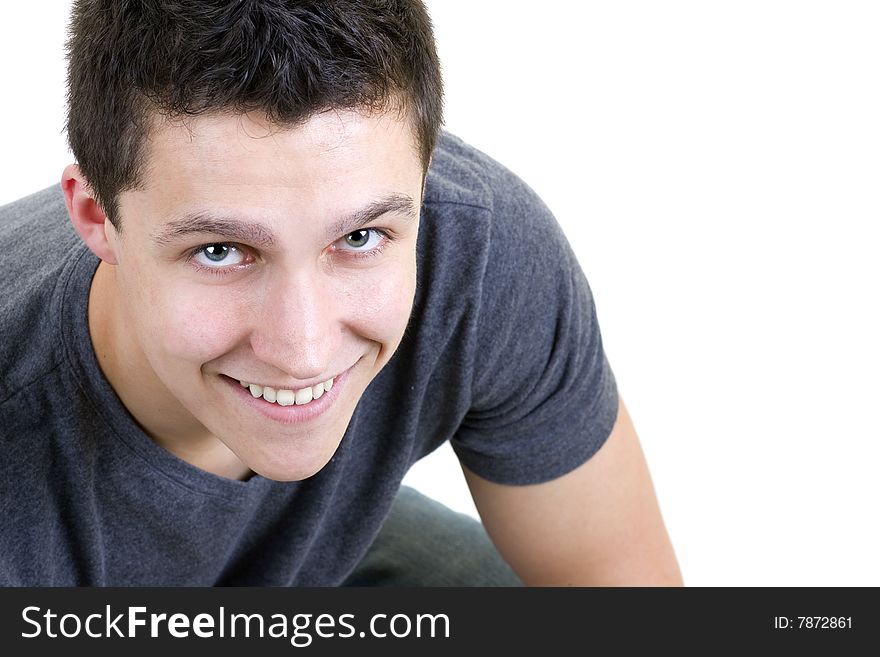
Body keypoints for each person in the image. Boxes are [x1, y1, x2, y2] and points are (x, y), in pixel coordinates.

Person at [0, 0, 682, 586]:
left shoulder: (477, 248)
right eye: (220, 251)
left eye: (359, 238)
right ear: (96, 217)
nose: (303, 350)